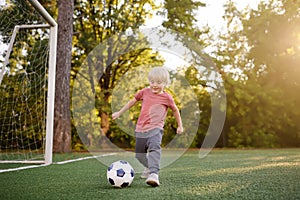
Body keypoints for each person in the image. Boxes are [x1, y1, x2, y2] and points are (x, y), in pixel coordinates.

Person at [112, 67, 183, 187]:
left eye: (159, 82)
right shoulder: (144, 92)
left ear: (165, 83)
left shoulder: (167, 97)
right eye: (152, 82)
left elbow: (175, 110)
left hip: (156, 128)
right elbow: (132, 102)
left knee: (154, 148)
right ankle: (149, 167)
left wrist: (180, 125)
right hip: (140, 129)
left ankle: (154, 174)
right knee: (139, 155)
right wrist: (119, 112)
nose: (154, 85)